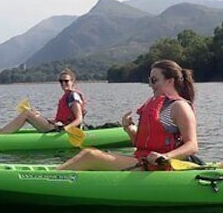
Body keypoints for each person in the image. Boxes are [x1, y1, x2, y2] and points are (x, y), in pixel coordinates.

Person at [58, 59, 199, 171]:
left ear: (170, 81)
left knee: (90, 155)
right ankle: (55, 174)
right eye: (149, 80)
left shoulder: (179, 106)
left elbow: (192, 145)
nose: (150, 85)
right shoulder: (154, 103)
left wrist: (165, 157)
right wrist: (129, 129)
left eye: (154, 80)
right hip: (143, 162)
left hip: (161, 167)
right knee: (90, 154)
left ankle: (50, 178)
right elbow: (141, 144)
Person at [0, 69, 86, 133]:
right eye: (61, 81)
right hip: (56, 126)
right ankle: (2, 132)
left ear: (73, 81)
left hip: (62, 130)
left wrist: (66, 129)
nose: (63, 83)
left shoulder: (73, 96)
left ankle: (0, 135)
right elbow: (61, 119)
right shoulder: (67, 95)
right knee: (31, 112)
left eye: (66, 81)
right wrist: (43, 118)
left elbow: (79, 119)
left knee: (27, 113)